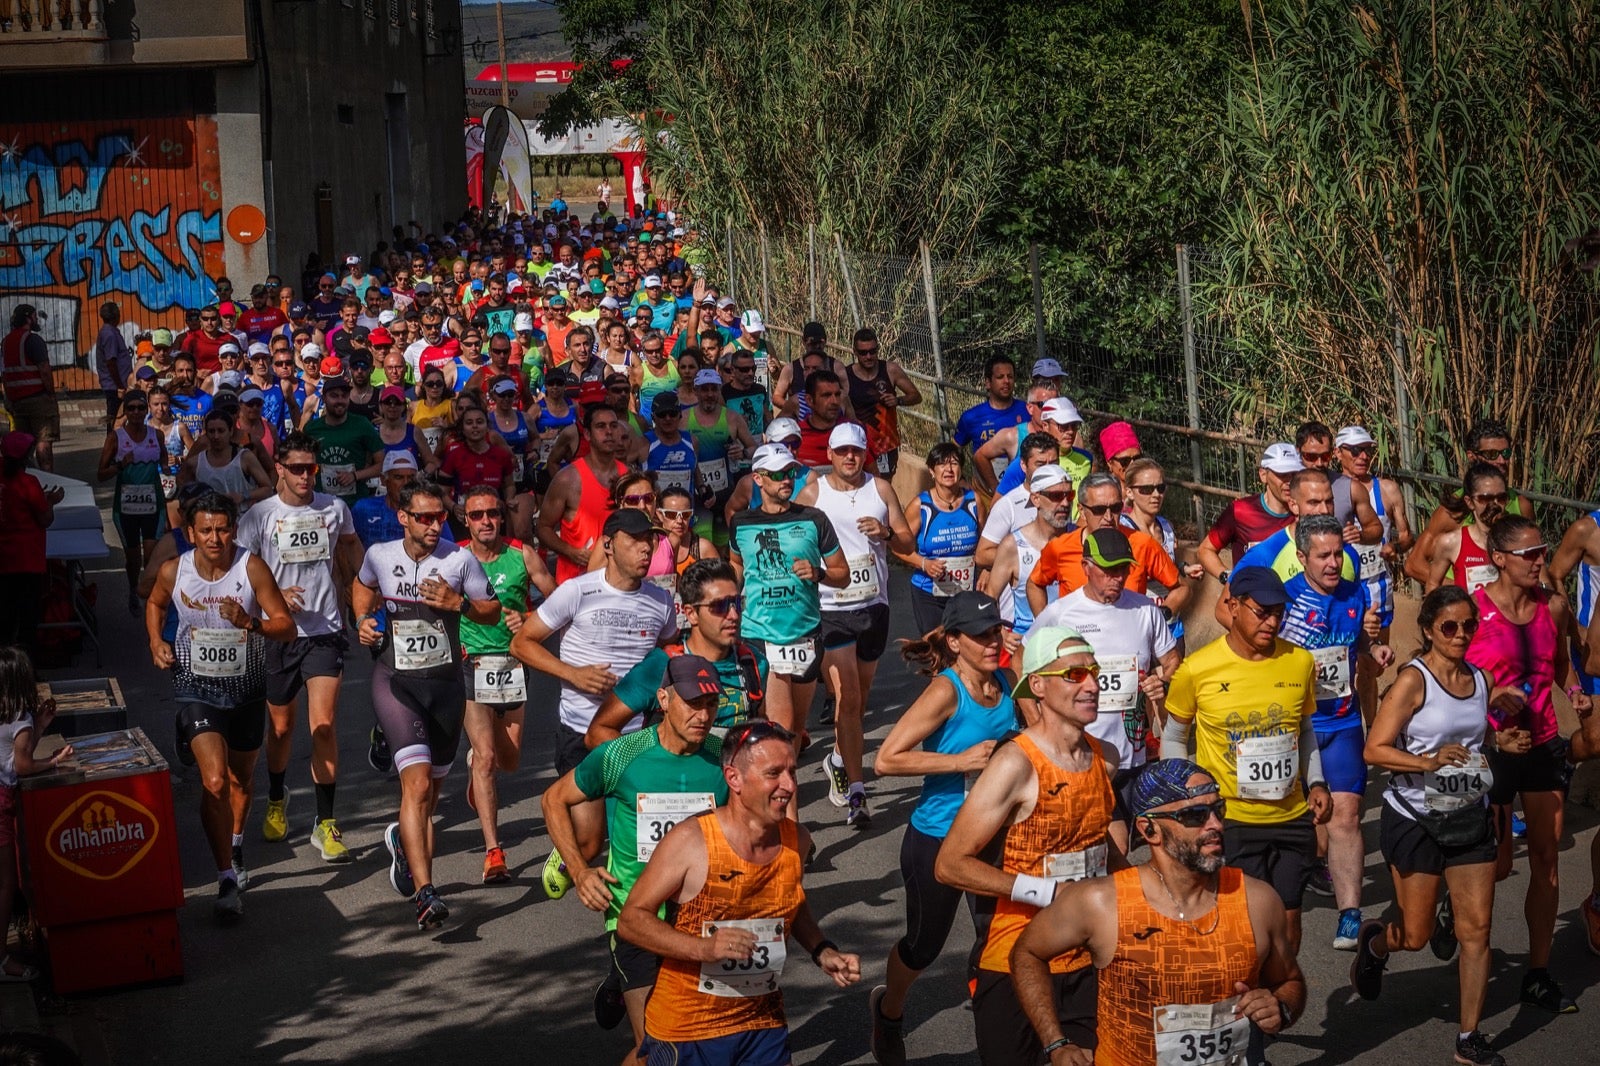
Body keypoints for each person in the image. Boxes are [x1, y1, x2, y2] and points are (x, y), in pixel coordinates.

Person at [1011, 760, 1308, 1066]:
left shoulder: (1256, 900)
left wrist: (1280, 1008)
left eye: (1218, 810)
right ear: (1149, 829)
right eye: (1194, 815)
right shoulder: (1101, 902)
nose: (1216, 825)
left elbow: (1290, 981)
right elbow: (1027, 953)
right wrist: (1056, 1043)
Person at [619, 720, 862, 1066]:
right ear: (734, 778)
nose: (789, 785)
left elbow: (791, 901)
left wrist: (822, 950)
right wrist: (704, 948)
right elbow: (631, 920)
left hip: (762, 1022)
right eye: (773, 773)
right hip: (689, 1027)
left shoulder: (798, 840)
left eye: (792, 771)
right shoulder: (692, 842)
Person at [934, 625, 1121, 1065]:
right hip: (1014, 957)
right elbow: (950, 865)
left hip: (1087, 956)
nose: (1091, 683)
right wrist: (1043, 891)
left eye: (1093, 672)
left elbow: (1099, 846)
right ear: (1037, 684)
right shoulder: (1015, 763)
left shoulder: (1105, 757)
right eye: (1074, 675)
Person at [544, 654, 731, 1064]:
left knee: (703, 1043)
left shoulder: (725, 758)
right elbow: (554, 799)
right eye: (692, 702)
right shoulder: (622, 755)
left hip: (705, 918)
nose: (703, 714)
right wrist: (579, 871)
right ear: (663, 699)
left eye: (711, 704)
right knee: (661, 1051)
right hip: (636, 917)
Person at [1357, 586, 1510, 1066]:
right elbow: (1375, 749)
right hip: (1416, 818)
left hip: (1467, 813)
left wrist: (1505, 739)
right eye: (1449, 626)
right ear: (1428, 630)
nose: (1461, 634)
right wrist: (1427, 761)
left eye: (1468, 625)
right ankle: (1378, 942)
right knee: (1417, 935)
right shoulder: (1412, 681)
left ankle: (1469, 1037)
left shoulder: (1479, 678)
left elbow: (1475, 738)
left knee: (1477, 931)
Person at [869, 593, 1015, 1066]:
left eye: (995, 630)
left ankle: (999, 1036)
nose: (993, 641)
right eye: (981, 635)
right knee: (923, 947)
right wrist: (960, 761)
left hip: (995, 838)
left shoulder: (1007, 681)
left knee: (995, 941)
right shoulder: (945, 691)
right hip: (938, 838)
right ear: (954, 642)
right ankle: (888, 1012)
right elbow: (886, 759)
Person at [353, 477, 500, 930]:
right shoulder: (381, 555)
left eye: (440, 517)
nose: (435, 525)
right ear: (403, 518)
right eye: (424, 517)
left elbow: (490, 610)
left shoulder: (459, 560)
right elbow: (362, 587)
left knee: (428, 797)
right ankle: (425, 894)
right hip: (396, 682)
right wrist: (363, 620)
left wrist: (459, 603)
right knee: (415, 788)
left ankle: (403, 838)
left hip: (445, 687)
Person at [1162, 566, 1331, 952]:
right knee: (1243, 927)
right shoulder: (1198, 669)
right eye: (1262, 611)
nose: (1272, 622)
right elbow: (1174, 737)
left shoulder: (1299, 662)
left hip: (1291, 818)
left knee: (1289, 926)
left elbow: (1304, 731)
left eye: (1279, 613)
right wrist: (1190, 800)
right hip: (1231, 821)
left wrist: (1317, 781)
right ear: (1233, 607)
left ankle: (1279, 1003)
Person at [145, 491, 296, 922]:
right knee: (213, 781)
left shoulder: (251, 568)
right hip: (197, 687)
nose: (215, 538)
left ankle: (233, 843)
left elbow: (286, 627)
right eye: (206, 530)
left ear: (234, 528)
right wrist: (156, 641)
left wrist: (250, 622)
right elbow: (154, 603)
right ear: (191, 532)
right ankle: (225, 876)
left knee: (240, 781)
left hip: (246, 690)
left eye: (223, 528)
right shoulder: (176, 570)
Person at [512, 509, 678, 898]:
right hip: (580, 731)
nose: (646, 547)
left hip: (637, 735)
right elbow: (521, 644)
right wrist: (573, 674)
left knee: (640, 843)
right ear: (608, 544)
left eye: (650, 540)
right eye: (635, 539)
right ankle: (567, 854)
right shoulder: (578, 591)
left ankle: (638, 913)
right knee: (589, 844)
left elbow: (667, 648)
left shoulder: (660, 599)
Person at [1465, 514, 1588, 1013]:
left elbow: (1558, 664)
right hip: (1493, 748)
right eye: (1529, 554)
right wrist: (1492, 705)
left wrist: (1574, 691)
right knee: (1494, 868)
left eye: (1543, 551)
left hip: (1542, 744)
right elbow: (1450, 681)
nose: (1540, 561)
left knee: (1546, 859)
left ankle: (1538, 972)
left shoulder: (1553, 607)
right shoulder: (1470, 613)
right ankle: (1460, 915)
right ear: (1499, 559)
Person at [236, 433, 362, 863]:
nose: (306, 476)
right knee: (282, 729)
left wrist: (364, 597)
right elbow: (239, 577)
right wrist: (270, 596)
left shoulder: (334, 509)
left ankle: (325, 823)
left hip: (325, 631)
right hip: (279, 633)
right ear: (279, 469)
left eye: (312, 468)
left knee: (323, 725)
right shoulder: (258, 517)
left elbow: (350, 552)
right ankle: (276, 797)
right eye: (297, 468)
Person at [1278, 514, 1391, 948]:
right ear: (1302, 557)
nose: (1331, 563)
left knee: (1346, 817)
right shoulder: (1284, 600)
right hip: (1293, 726)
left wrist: (1373, 648)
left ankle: (1350, 913)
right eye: (1322, 555)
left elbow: (1356, 642)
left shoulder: (1355, 593)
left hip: (1342, 723)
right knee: (1300, 820)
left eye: (1337, 554)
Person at [1034, 528, 1182, 851]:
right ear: (1086, 566)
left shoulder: (1145, 610)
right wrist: (1037, 721)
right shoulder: (1062, 613)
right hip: (1084, 755)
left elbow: (1172, 659)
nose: (1117, 578)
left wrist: (1163, 680)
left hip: (1135, 755)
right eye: (1108, 570)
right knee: (1114, 848)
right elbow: (1026, 664)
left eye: (1123, 570)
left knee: (1142, 848)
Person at [797, 422, 913, 828]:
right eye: (842, 451)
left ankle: (836, 759)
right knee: (846, 699)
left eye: (857, 451)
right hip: (831, 608)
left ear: (865, 454)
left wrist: (885, 533)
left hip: (872, 606)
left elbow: (907, 542)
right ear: (829, 454)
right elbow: (791, 534)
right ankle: (857, 793)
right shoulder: (814, 493)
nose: (850, 457)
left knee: (859, 702)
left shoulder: (879, 490)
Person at [727, 444, 848, 761]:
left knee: (794, 724)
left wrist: (818, 573)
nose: (787, 480)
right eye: (779, 474)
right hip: (758, 634)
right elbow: (737, 568)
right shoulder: (740, 523)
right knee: (774, 721)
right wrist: (726, 594)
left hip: (803, 632)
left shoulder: (814, 519)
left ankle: (785, 778)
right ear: (758, 478)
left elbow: (843, 574)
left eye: (791, 472)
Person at [458, 484, 552, 883]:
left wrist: (529, 624)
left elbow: (556, 600)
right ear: (466, 520)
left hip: (512, 665)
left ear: (502, 516)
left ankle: (480, 761)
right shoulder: (455, 557)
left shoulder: (521, 555)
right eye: (477, 515)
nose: (485, 521)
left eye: (492, 514)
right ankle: (494, 852)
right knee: (487, 759)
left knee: (509, 759)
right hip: (471, 665)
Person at [588, 559, 767, 746]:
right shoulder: (661, 666)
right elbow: (598, 732)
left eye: (737, 603)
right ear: (691, 614)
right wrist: (646, 769)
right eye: (719, 606)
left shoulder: (754, 663)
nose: (733, 615)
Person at [0, 647, 72, 980]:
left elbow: (13, 754)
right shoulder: (19, 718)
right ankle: (2, 961)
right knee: (6, 883)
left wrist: (40, 726)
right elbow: (23, 764)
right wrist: (54, 761)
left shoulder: (9, 716)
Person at [1406, 419, 1535, 585]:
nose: (1501, 461)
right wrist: (1460, 591)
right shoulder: (1453, 510)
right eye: (1491, 454)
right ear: (1472, 456)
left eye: (1506, 453)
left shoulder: (1521, 505)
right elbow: (1414, 564)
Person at [1027, 473, 1180, 613]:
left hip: (1128, 637)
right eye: (1099, 509)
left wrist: (1162, 615)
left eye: (1115, 508)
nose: (1108, 517)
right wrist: (1047, 627)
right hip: (1078, 639)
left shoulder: (1142, 543)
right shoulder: (1060, 548)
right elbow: (1034, 584)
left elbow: (1181, 588)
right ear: (1081, 511)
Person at [538, 402, 629, 584]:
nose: (609, 432)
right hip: (577, 582)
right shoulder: (568, 479)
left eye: (613, 425)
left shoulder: (628, 477)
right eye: (600, 426)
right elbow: (542, 528)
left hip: (617, 581)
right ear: (587, 434)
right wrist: (570, 551)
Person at [983, 465, 1074, 643]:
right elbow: (990, 596)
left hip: (1071, 640)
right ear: (1036, 499)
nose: (1064, 503)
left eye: (1069, 495)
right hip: (1027, 644)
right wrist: (1000, 631)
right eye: (1056, 496)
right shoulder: (1013, 545)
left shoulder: (1079, 538)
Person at [97, 390, 169, 614]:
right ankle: (132, 587)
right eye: (131, 408)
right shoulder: (116, 437)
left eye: (140, 407)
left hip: (152, 504)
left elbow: (164, 459)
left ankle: (149, 597)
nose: (136, 412)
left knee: (150, 554)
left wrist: (168, 469)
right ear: (125, 411)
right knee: (132, 558)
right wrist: (120, 465)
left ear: (146, 409)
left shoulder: (156, 435)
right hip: (126, 507)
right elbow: (101, 474)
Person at [901, 443, 982, 636]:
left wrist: (986, 570)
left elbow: (987, 542)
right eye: (942, 464)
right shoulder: (921, 505)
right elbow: (898, 546)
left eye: (954, 463)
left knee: (964, 648)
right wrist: (924, 563)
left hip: (965, 591)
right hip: (928, 592)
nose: (949, 469)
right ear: (931, 470)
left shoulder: (974, 501)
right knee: (936, 650)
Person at [1195, 443, 1301, 582]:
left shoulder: (1306, 513)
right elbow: (1205, 550)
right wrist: (1228, 578)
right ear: (1263, 475)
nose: (1289, 481)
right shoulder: (1240, 510)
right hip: (1249, 601)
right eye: (1282, 474)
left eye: (1295, 474)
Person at [0, 433, 60, 650]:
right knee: (28, 621)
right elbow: (45, 519)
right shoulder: (28, 482)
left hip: (4, 560)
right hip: (27, 561)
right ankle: (26, 671)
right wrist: (51, 502)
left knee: (5, 620)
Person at [974, 432, 1061, 570]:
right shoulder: (1008, 505)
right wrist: (1028, 558)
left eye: (1054, 463)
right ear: (1024, 465)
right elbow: (982, 555)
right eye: (1040, 464)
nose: (1048, 470)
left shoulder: (1066, 499)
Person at [845, 328, 920, 477]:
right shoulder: (846, 375)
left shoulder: (890, 370)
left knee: (882, 486)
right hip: (857, 443)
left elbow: (916, 396)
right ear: (854, 351)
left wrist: (898, 400)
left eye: (873, 351)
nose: (868, 356)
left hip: (885, 445)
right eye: (863, 352)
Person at [1425, 464, 1509, 594]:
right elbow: (1433, 584)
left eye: (1502, 498)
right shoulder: (1451, 543)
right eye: (1486, 498)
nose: (1495, 504)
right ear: (1469, 502)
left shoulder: (1517, 541)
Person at [305, 372, 385, 504]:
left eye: (344, 396)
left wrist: (355, 476)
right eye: (334, 396)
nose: (340, 401)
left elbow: (382, 464)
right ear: (324, 399)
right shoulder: (312, 429)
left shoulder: (362, 424)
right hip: (322, 504)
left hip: (356, 503)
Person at [178, 410, 274, 513]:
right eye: (211, 431)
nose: (216, 436)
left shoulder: (245, 457)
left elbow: (268, 489)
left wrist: (243, 495)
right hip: (209, 522)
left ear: (231, 431)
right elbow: (183, 495)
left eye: (221, 431)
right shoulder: (195, 463)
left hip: (241, 520)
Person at [2, 306, 60, 472]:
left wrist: (9, 399)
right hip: (38, 399)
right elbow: (44, 370)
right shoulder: (32, 340)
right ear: (28, 318)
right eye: (34, 316)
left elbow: (4, 374)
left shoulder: (6, 342)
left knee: (22, 445)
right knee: (44, 441)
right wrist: (51, 394)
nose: (36, 320)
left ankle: (23, 479)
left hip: (17, 402)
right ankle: (47, 478)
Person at [953, 355, 1029, 479]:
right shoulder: (971, 417)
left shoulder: (1027, 411)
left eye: (1010, 376)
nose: (1006, 381)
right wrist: (960, 480)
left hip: (1019, 487)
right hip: (984, 491)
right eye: (1000, 377)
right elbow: (954, 450)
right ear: (988, 383)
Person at [95, 300, 134, 428]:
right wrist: (120, 386)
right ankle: (113, 444)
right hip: (114, 386)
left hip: (116, 384)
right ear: (116, 315)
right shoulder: (109, 334)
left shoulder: (110, 331)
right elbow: (111, 362)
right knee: (115, 418)